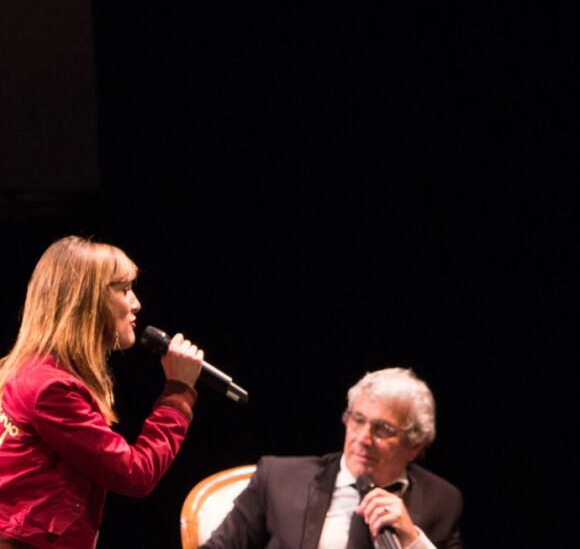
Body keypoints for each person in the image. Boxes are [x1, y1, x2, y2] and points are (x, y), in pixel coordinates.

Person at [0, 235, 205, 548]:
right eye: (124, 290)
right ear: (88, 301)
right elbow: (136, 475)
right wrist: (178, 393)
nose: (136, 303)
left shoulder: (28, 370)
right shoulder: (51, 388)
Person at [201, 367, 463, 549]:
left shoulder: (441, 501)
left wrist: (411, 540)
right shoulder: (280, 477)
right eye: (357, 420)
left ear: (415, 445)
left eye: (383, 429)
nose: (363, 437)